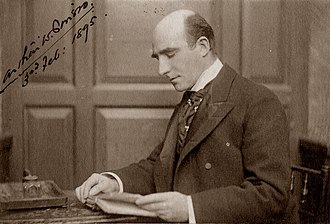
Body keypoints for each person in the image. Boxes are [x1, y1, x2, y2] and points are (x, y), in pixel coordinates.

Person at [76, 9, 298, 223]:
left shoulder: (258, 100)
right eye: (158, 58)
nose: (162, 69)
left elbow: (272, 193)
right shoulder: (190, 100)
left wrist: (190, 207)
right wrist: (114, 182)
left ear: (203, 46)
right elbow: (160, 167)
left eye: (170, 54)